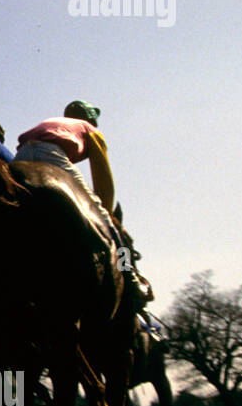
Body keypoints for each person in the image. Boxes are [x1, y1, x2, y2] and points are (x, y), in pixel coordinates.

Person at [14, 101, 150, 306]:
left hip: (21, 154)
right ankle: (129, 276)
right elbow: (102, 173)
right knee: (104, 220)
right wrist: (103, 208)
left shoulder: (54, 123)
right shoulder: (90, 129)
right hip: (49, 153)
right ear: (90, 118)